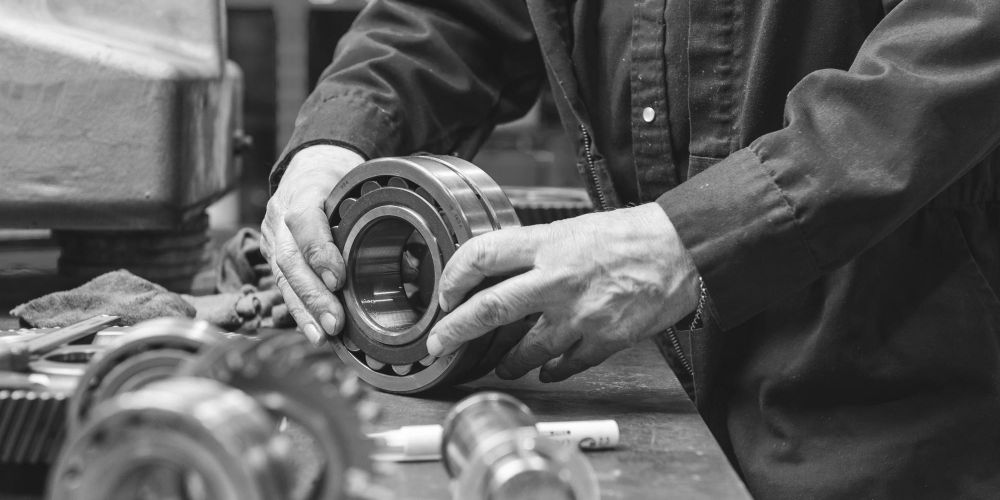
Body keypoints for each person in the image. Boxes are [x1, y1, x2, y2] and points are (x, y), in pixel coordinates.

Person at [262, 1, 1000, 498]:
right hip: (666, 396)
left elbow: (963, 38)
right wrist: (338, 139)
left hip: (903, 413)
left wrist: (693, 238)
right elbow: (460, 16)